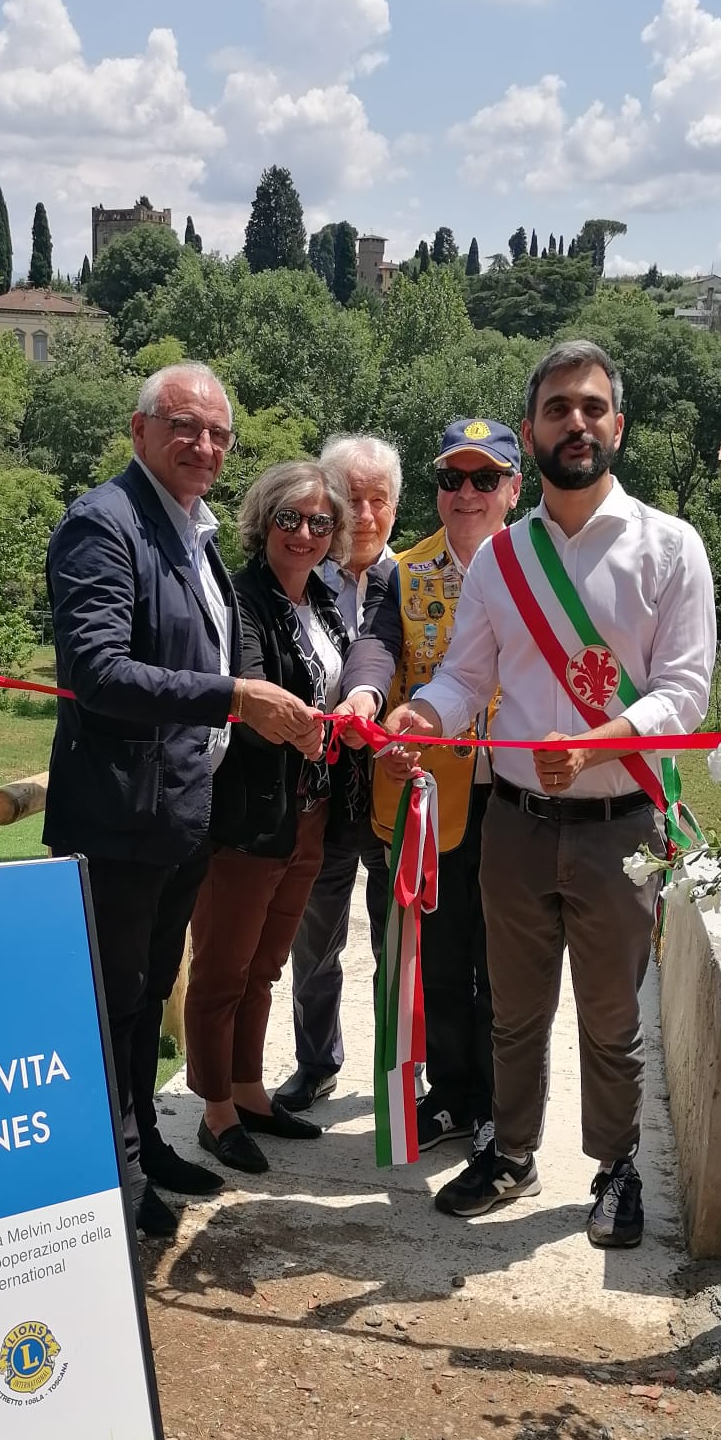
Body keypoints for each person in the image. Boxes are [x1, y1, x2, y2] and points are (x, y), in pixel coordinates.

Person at [382, 342, 717, 1246]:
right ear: (530, 432)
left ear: (618, 425)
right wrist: (425, 716)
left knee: (613, 1021)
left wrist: (597, 741)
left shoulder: (671, 547)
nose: (577, 422)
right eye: (559, 408)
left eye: (593, 407)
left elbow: (686, 695)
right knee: (516, 1010)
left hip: (621, 827)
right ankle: (511, 1151)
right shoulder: (500, 560)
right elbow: (463, 677)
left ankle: (614, 1168)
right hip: (517, 826)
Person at [44, 363, 322, 1239]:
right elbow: (97, 672)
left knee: (149, 989)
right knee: (112, 999)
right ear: (139, 431)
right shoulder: (104, 523)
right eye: (183, 427)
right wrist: (235, 700)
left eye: (217, 434)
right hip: (119, 817)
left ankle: (142, 1148)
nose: (203, 446)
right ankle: (110, 1176)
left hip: (179, 814)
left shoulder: (193, 531)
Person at [337, 417, 524, 1157]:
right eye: (453, 478)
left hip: (519, 793)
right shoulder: (402, 571)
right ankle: (450, 1095)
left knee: (504, 963)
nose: (467, 493)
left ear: (514, 488)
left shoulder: (538, 570)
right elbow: (377, 646)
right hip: (434, 801)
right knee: (440, 959)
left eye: (485, 478)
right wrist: (366, 699)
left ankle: (501, 1109)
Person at [184, 460, 355, 1173]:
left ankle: (251, 1090)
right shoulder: (240, 598)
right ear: (265, 522)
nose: (305, 534)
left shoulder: (324, 599)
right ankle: (215, 1110)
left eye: (321, 522)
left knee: (265, 967)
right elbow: (250, 702)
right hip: (247, 816)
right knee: (223, 969)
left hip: (307, 814)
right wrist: (308, 726)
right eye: (290, 518)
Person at [275, 433, 401, 1114]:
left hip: (390, 792)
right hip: (316, 795)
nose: (366, 512)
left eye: (379, 499)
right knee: (314, 937)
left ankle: (395, 1071)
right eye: (351, 498)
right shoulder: (300, 574)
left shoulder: (411, 582)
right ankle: (315, 1061)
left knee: (396, 943)